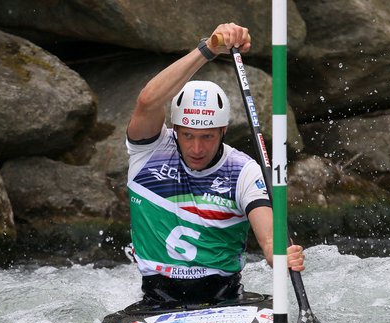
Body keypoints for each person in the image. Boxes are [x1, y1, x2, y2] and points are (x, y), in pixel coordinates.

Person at [126, 22, 304, 305]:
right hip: (157, 301)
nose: (197, 148)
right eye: (187, 136)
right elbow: (148, 100)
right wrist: (208, 49)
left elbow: (269, 238)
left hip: (226, 299)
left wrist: (277, 254)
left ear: (223, 131)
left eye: (207, 137)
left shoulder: (243, 171)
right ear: (175, 128)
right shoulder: (150, 151)